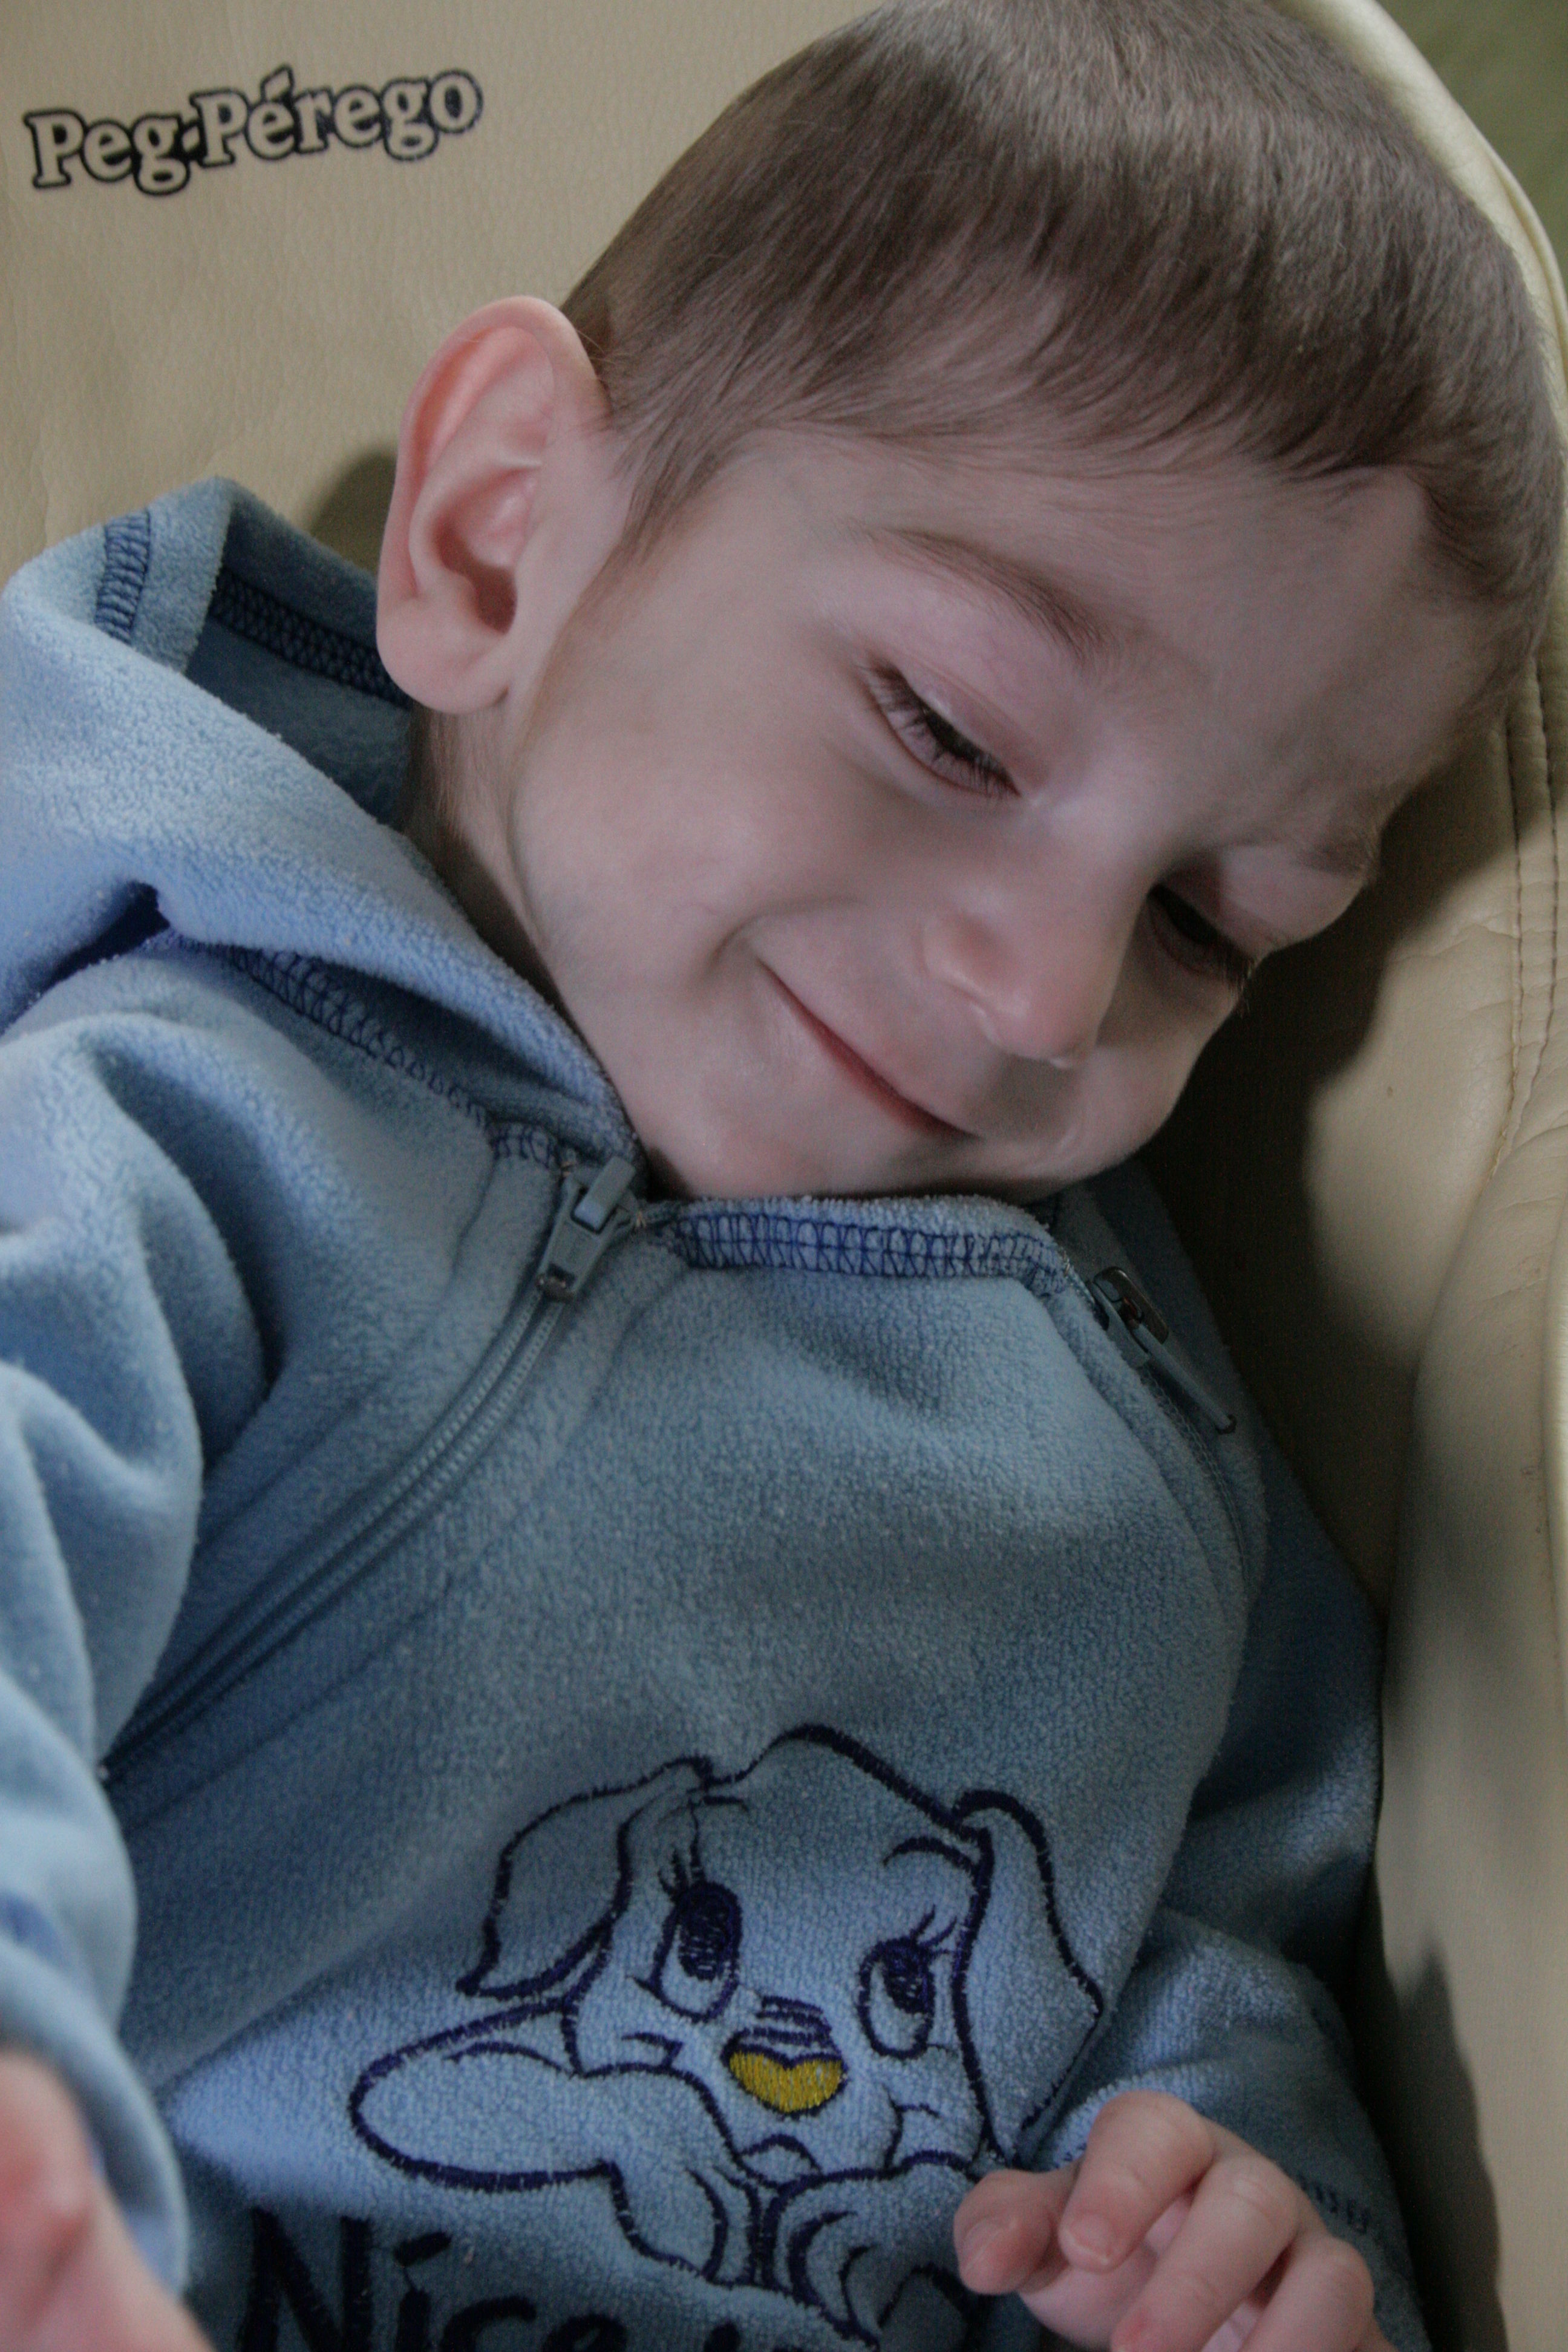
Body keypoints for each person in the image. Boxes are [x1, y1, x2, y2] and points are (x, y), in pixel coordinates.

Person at [0, 1, 1560, 2347]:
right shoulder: (170, 1142)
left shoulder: (1129, 1450)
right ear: (498, 533)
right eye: (950, 728)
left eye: (1203, 921)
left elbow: (1217, 1946)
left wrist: (1240, 2209)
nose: (1049, 994)